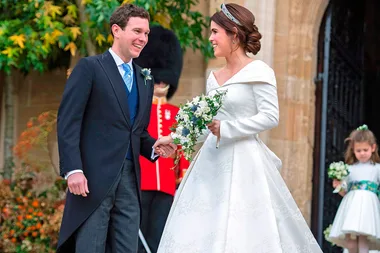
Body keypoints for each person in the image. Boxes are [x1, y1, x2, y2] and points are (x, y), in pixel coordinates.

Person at [154, 3, 323, 252]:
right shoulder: (214, 77)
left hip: (245, 160)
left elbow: (270, 116)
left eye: (215, 32)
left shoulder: (259, 71)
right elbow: (208, 125)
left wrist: (229, 128)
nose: (210, 38)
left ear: (233, 33)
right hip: (211, 162)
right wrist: (174, 138)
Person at [56, 4, 176, 253]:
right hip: (93, 179)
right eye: (137, 31)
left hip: (131, 181)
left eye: (146, 33)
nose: (143, 38)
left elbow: (136, 131)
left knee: (127, 248)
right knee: (91, 247)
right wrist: (73, 170)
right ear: (116, 30)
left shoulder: (146, 78)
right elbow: (68, 122)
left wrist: (154, 146)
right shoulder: (90, 68)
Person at [134, 25, 190, 253]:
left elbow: (182, 148)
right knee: (137, 239)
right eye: (157, 79)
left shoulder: (177, 114)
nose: (160, 83)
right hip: (141, 180)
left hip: (167, 185)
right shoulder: (140, 108)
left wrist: (182, 177)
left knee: (158, 239)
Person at [328, 125, 380, 253]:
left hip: (368, 207)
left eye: (365, 150)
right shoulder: (349, 169)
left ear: (373, 148)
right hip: (351, 207)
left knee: (363, 239)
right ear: (353, 150)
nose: (362, 153)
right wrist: (338, 186)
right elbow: (344, 192)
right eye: (358, 150)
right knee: (350, 243)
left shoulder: (377, 168)